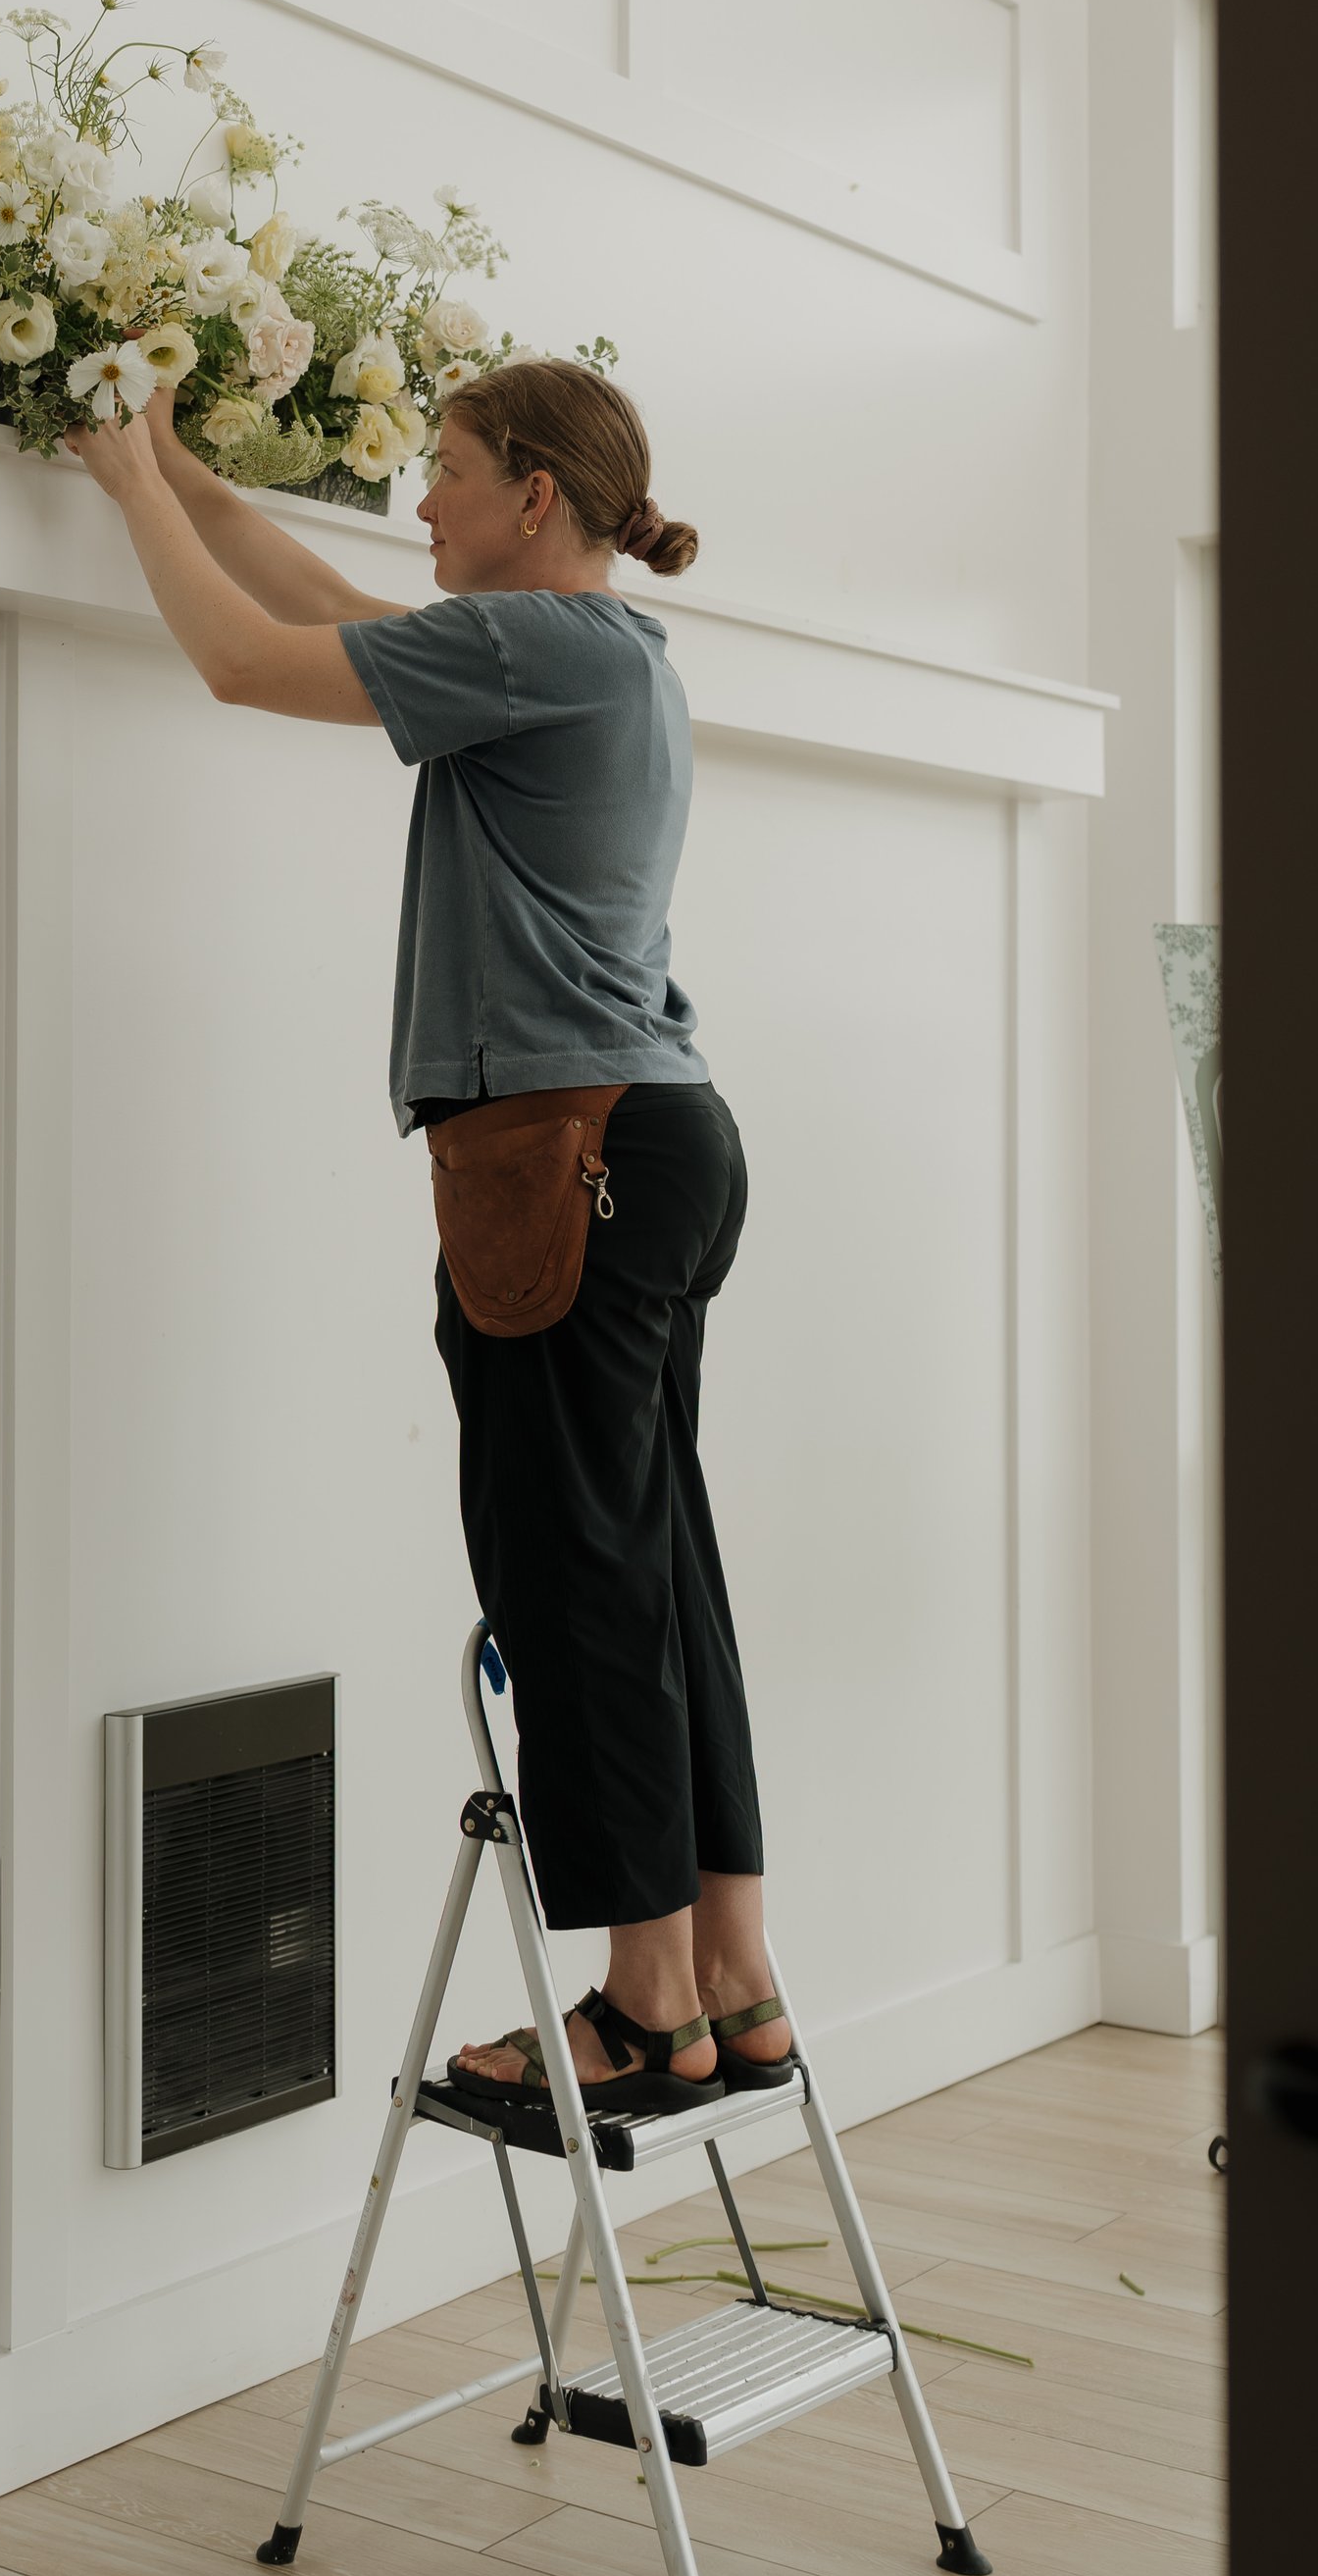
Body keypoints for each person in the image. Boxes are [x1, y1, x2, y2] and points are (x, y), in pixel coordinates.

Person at [68, 357, 790, 2119]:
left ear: (536, 493)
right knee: (658, 1559)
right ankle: (730, 1971)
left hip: (569, 1154)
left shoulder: (551, 650)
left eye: (449, 470)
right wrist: (186, 473)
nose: (426, 501)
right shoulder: (589, 653)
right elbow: (332, 610)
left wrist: (120, 482)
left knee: (576, 1575)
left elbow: (248, 663)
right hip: (652, 1140)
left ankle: (639, 2003)